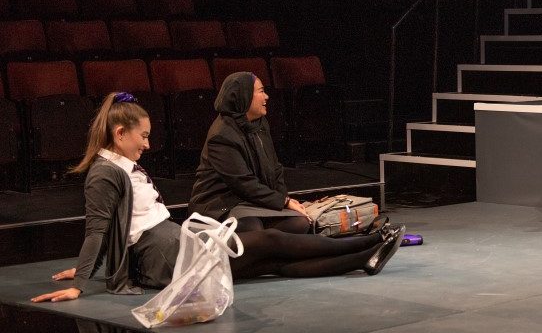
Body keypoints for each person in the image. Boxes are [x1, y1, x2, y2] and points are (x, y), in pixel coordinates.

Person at [31, 93, 400, 304]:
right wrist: (81, 280)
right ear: (120, 132)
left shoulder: (121, 165)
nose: (147, 144)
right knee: (268, 241)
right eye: (142, 136)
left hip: (177, 244)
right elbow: (99, 229)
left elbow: (116, 229)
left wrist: (89, 269)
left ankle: (363, 258)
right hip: (167, 259)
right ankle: (367, 242)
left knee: (273, 263)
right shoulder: (104, 173)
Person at [188, 72, 313, 232]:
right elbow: (242, 183)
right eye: (261, 91)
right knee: (251, 227)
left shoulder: (260, 124)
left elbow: (275, 169)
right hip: (223, 204)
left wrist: (286, 201)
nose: (266, 96)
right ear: (244, 96)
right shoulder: (221, 135)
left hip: (251, 200)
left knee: (298, 223)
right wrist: (283, 202)